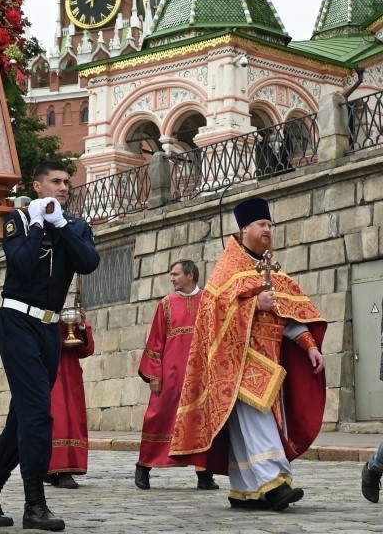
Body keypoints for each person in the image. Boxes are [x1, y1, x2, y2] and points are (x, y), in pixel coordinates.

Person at [170, 198, 327, 511]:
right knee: (258, 420)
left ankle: (245, 490)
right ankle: (277, 483)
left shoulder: (271, 267)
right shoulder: (228, 268)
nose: (268, 230)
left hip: (272, 360)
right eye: (262, 225)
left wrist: (309, 345)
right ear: (245, 229)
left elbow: (290, 313)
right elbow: (214, 311)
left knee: (247, 427)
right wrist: (255, 304)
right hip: (237, 361)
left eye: (270, 225)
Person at [0, 160, 99, 532]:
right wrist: (40, 222)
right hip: (17, 322)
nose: (62, 187)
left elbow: (89, 263)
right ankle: (34, 504)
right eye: (55, 182)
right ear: (38, 186)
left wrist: (61, 225)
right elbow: (23, 265)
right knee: (39, 414)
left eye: (66, 182)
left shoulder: (73, 226)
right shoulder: (19, 220)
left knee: (22, 416)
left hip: (49, 329)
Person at [135, 260, 218, 491]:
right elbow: (156, 340)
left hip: (201, 375)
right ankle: (143, 466)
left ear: (190, 275)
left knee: (201, 421)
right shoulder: (166, 304)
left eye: (175, 274)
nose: (171, 278)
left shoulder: (209, 301)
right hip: (170, 375)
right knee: (158, 417)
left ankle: (204, 474)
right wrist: (154, 374)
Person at [46, 308, 94, 489]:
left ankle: (66, 470)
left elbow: (86, 350)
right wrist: (57, 342)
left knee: (73, 420)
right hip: (50, 372)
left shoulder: (71, 317)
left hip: (71, 374)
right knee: (57, 420)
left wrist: (81, 324)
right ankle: (53, 469)